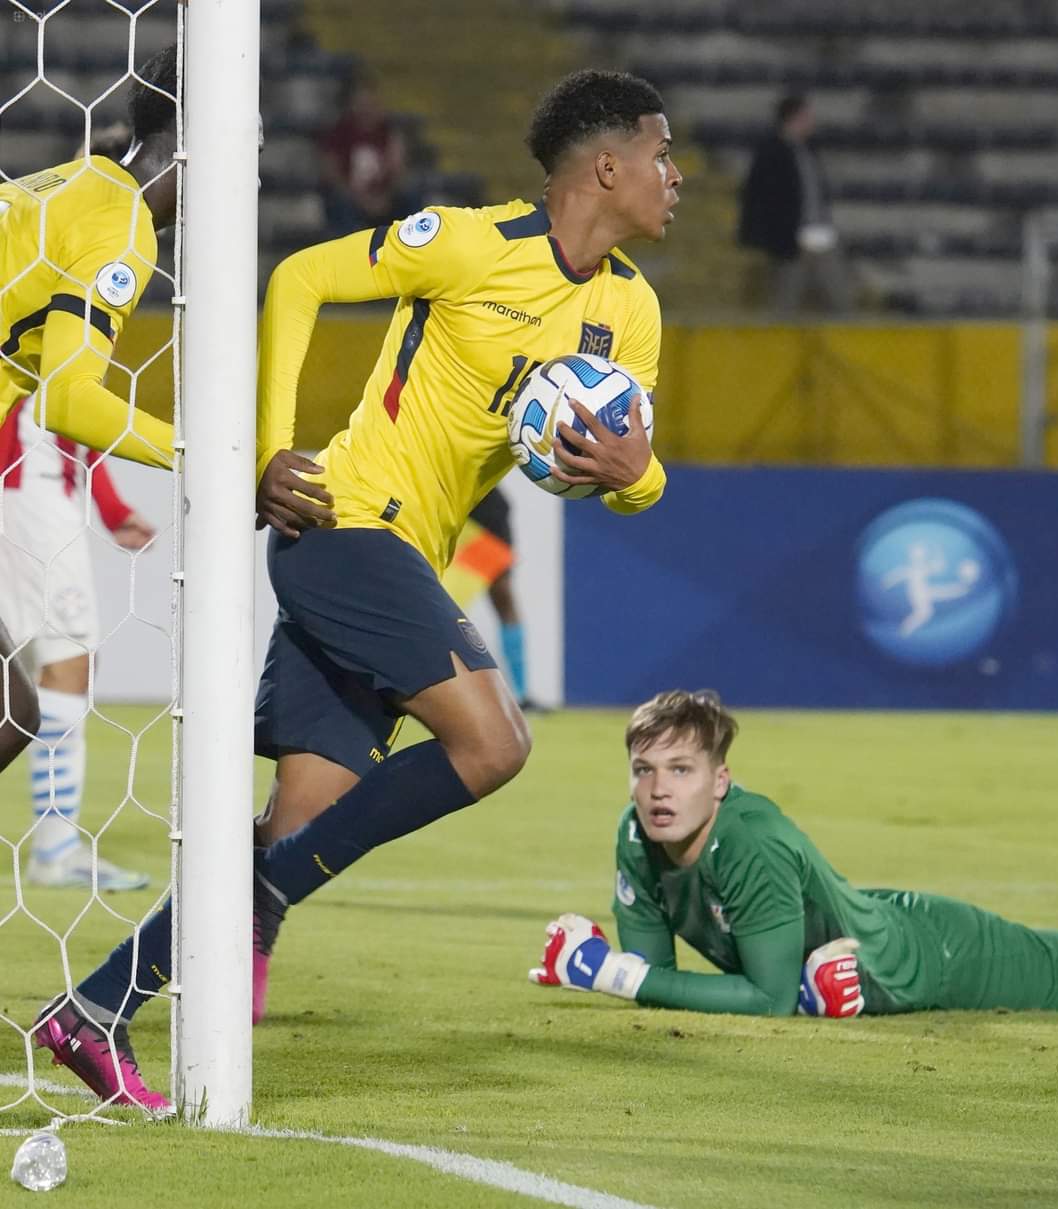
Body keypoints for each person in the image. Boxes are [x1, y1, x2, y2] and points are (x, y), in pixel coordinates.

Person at [37, 68, 680, 1109]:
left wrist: (632, 476)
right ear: (606, 167)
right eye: (661, 154)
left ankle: (95, 1010)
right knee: (494, 743)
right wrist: (270, 447)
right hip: (343, 523)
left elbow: (636, 478)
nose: (675, 176)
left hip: (403, 557)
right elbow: (298, 280)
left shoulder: (631, 315)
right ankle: (254, 905)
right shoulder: (471, 244)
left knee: (297, 824)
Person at [528, 689, 1058, 1017]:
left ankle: (820, 990)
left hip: (929, 957)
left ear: (720, 781)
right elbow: (655, 979)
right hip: (863, 927)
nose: (658, 790)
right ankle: (818, 990)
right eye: (643, 770)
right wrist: (624, 974)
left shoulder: (749, 840)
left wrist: (608, 974)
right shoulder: (636, 835)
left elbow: (766, 1002)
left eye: (680, 770)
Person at [0, 46, 178, 782]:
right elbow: (69, 398)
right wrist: (219, 456)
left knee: (15, 708)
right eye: (251, 146)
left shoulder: (62, 180)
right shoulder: (121, 228)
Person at [0, 398, 155, 890]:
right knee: (68, 664)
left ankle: (56, 847)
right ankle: (56, 850)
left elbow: (75, 418)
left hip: (40, 491)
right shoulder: (44, 341)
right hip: (29, 498)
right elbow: (64, 401)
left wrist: (111, 510)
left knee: (30, 675)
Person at [737, 94, 851, 315]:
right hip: (790, 239)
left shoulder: (808, 150)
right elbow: (761, 198)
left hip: (819, 233)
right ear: (794, 117)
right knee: (785, 301)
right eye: (807, 116)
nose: (812, 122)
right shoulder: (772, 152)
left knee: (839, 297)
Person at [442, 486, 541, 710]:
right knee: (443, 603)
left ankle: (522, 694)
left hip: (489, 516)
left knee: (504, 599)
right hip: (456, 509)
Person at [318, 72, 410, 239]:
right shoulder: (340, 132)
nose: (366, 108)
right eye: (361, 103)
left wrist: (384, 197)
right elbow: (331, 174)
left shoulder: (388, 132)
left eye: (370, 103)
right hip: (351, 198)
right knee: (338, 202)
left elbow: (398, 169)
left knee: (409, 196)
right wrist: (361, 200)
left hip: (384, 197)